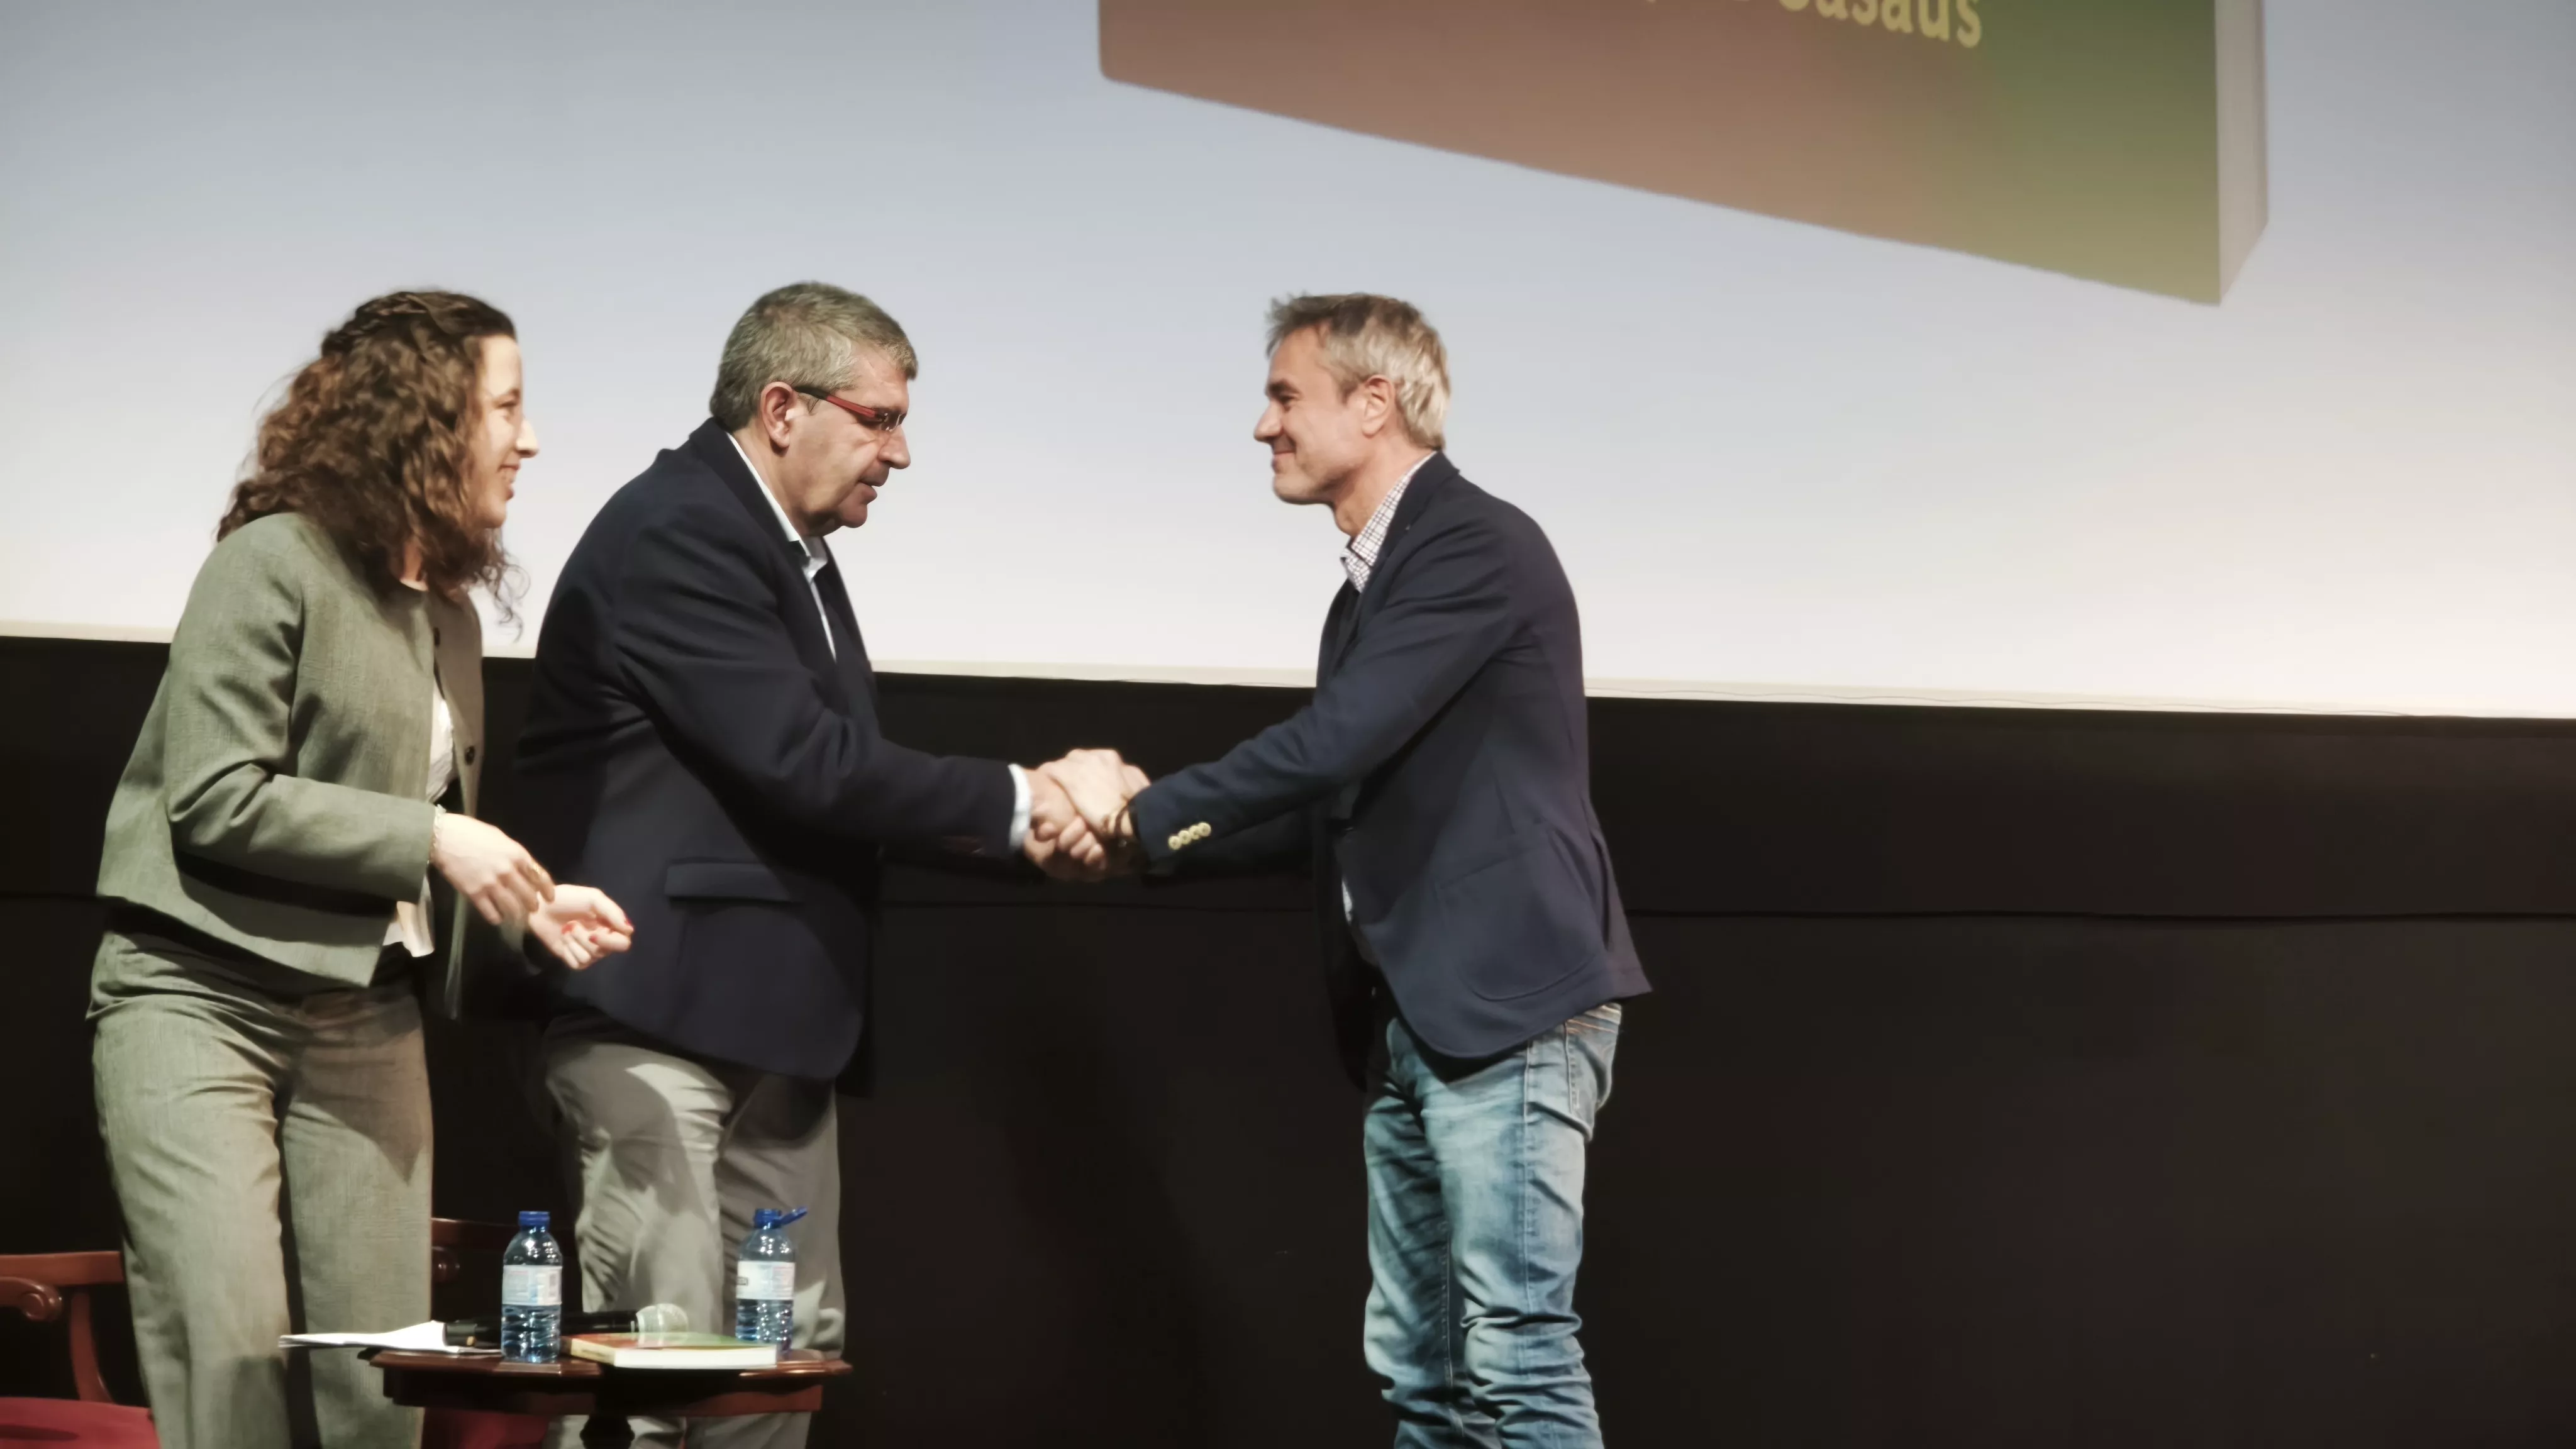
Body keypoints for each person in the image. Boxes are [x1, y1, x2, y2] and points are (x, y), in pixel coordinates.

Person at [512, 281, 1116, 1449]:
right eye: (880, 418)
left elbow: (838, 784)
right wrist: (1024, 796)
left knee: (773, 1377)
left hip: (772, 1035)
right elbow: (806, 762)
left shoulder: (792, 553)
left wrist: (1035, 843)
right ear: (784, 407)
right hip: (657, 1023)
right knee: (660, 1372)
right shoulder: (681, 527)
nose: (901, 451)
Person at [1062, 294, 1650, 1447]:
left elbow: (1329, 748)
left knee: (1515, 1353)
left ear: (1374, 402)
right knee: (1423, 1375)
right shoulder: (1369, 592)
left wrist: (1143, 817)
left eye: (1285, 396)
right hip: (1417, 1022)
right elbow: (1336, 804)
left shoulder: (1475, 545)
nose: (1263, 426)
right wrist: (1141, 850)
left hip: (1507, 1007)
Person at [89, 290, 635, 1449]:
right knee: (229, 1341)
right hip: (197, 994)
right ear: (426, 417)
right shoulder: (269, 562)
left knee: (384, 1365)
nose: (529, 439)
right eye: (508, 406)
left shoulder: (446, 615)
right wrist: (435, 837)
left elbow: (423, 832)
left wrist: (529, 899)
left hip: (363, 1013)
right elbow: (216, 798)